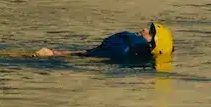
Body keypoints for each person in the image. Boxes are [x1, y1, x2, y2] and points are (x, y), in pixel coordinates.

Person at [35, 22, 174, 63]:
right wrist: (56, 53)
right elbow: (89, 54)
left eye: (149, 32)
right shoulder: (127, 49)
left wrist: (55, 55)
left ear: (153, 44)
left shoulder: (125, 50)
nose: (144, 29)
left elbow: (90, 57)